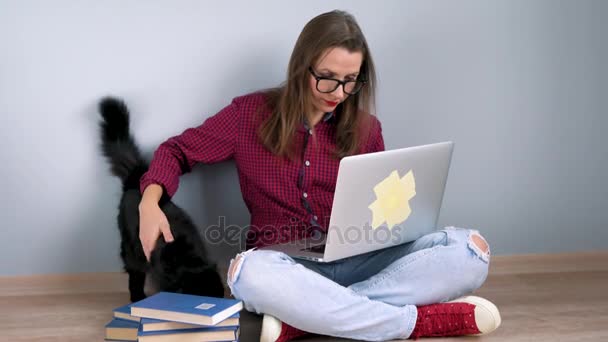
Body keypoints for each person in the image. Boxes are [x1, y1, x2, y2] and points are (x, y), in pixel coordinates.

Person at [138, 10, 501, 342]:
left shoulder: (366, 129)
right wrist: (149, 202)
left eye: (350, 82)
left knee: (470, 251)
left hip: (359, 260)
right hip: (285, 267)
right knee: (247, 273)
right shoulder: (247, 115)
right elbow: (177, 150)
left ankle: (303, 320)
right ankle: (416, 323)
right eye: (326, 79)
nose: (338, 93)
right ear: (302, 66)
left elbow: (381, 216)